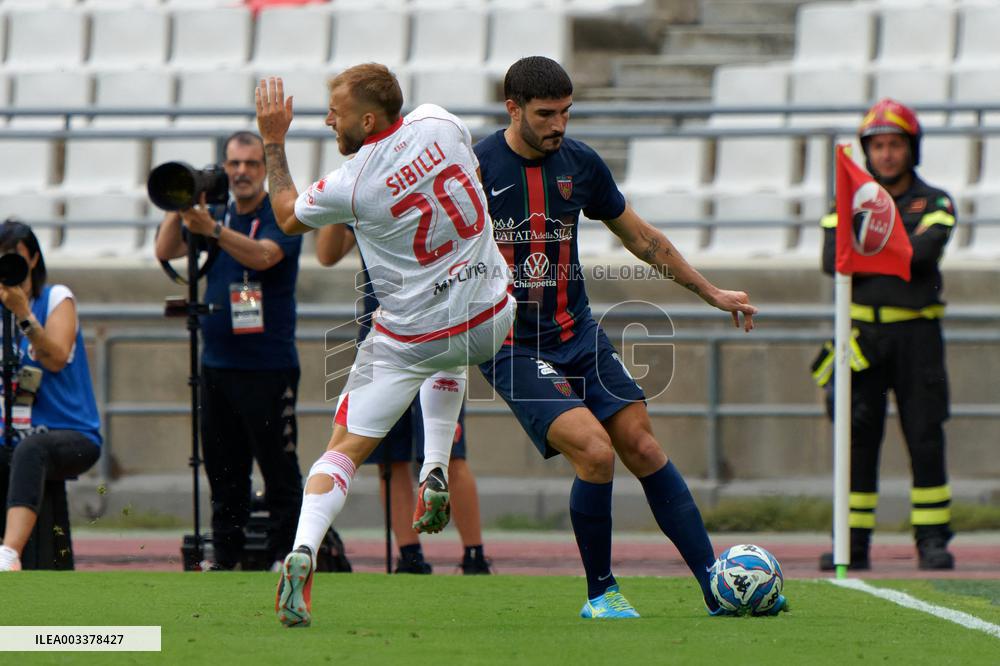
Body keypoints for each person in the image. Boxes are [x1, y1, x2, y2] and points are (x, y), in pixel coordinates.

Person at [475, 56, 772, 619]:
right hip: (510, 344)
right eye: (545, 114)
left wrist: (711, 293)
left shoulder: (580, 164)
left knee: (642, 446)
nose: (558, 125)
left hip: (578, 333)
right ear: (513, 109)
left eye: (566, 112)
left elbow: (641, 238)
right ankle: (601, 593)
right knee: (594, 450)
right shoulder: (475, 168)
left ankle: (716, 584)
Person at [256, 64, 514, 627]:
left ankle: (302, 551)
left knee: (343, 446)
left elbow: (283, 213)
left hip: (410, 336)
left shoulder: (352, 182)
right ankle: (435, 469)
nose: (327, 119)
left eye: (336, 112)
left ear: (367, 119)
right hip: (491, 314)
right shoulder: (439, 121)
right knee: (455, 349)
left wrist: (274, 140)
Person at [155, 131, 304, 572]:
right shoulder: (212, 212)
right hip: (215, 365)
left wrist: (214, 231)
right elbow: (165, 251)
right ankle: (225, 556)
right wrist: (182, 200)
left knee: (278, 467)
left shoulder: (281, 214)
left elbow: (264, 257)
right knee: (223, 471)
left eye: (251, 164)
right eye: (233, 164)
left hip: (267, 366)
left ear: (264, 169)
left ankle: (285, 555)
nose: (241, 172)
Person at [817, 98, 957, 571]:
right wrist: (896, 248)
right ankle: (851, 545)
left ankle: (933, 542)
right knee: (857, 442)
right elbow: (829, 260)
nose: (887, 154)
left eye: (896, 144)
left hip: (918, 340)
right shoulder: (846, 199)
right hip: (861, 338)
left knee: (925, 439)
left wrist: (866, 252)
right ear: (867, 150)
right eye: (878, 145)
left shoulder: (937, 202)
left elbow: (922, 256)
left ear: (910, 148)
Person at [316, 224, 491, 575]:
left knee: (448, 452)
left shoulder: (425, 179)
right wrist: (337, 205)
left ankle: (474, 555)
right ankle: (409, 554)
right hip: (383, 336)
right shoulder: (363, 186)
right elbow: (327, 254)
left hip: (437, 326)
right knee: (388, 455)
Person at [0, 220, 102, 572]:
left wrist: (23, 316)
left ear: (33, 260)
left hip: (71, 433)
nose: (7, 264)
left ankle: (9, 553)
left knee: (31, 448)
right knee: (19, 447)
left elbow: (56, 356)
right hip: (12, 431)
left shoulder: (56, 298)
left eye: (14, 257)